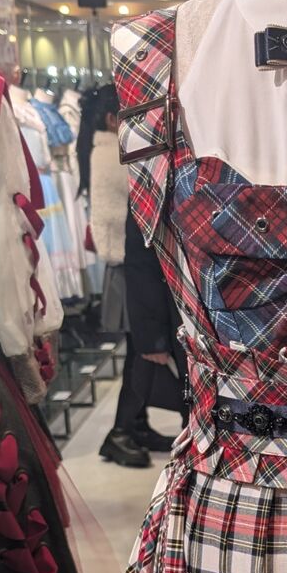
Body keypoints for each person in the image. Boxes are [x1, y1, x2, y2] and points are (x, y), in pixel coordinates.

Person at [77, 84, 184, 467]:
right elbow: (131, 212)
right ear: (113, 119)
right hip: (130, 265)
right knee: (143, 353)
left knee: (139, 354)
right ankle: (120, 432)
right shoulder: (113, 154)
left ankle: (134, 426)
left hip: (131, 263)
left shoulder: (107, 150)